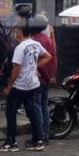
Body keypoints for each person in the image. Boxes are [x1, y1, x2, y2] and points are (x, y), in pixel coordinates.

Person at [0, 19, 50, 152]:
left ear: (20, 32)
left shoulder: (20, 48)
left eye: (17, 31)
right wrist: (34, 67)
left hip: (20, 85)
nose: (16, 34)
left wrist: (9, 86)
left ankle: (11, 141)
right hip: (33, 84)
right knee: (33, 111)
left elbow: (16, 68)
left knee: (11, 112)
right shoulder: (35, 44)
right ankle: (38, 139)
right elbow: (48, 56)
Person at [31, 14, 57, 143]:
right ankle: (45, 134)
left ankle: (39, 135)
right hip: (47, 78)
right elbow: (54, 57)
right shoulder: (48, 39)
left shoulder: (36, 41)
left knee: (37, 107)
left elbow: (37, 61)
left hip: (39, 78)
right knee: (44, 106)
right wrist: (52, 75)